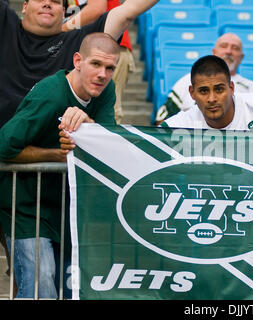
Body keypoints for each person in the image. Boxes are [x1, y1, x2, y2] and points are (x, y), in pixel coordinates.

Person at [0, 32, 120, 299]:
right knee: (40, 289)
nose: (102, 74)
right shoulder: (50, 95)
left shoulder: (105, 90)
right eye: (96, 64)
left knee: (68, 292)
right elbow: (3, 147)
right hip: (26, 208)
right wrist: (58, 155)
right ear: (78, 60)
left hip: (68, 210)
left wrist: (89, 125)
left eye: (110, 68)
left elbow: (110, 143)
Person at [0, 0, 159, 129]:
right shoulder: (6, 24)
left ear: (64, 13)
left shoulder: (79, 41)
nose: (47, 3)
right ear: (24, 6)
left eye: (55, 2)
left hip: (57, 154)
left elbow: (128, 12)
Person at [154, 33, 253, 125]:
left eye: (235, 48)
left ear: (241, 57)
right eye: (224, 46)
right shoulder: (188, 81)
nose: (229, 51)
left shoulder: (252, 88)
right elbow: (162, 121)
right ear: (214, 52)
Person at [62, 0, 136, 124]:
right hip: (87, 49)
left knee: (109, 111)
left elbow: (96, 9)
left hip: (110, 49)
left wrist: (61, 29)